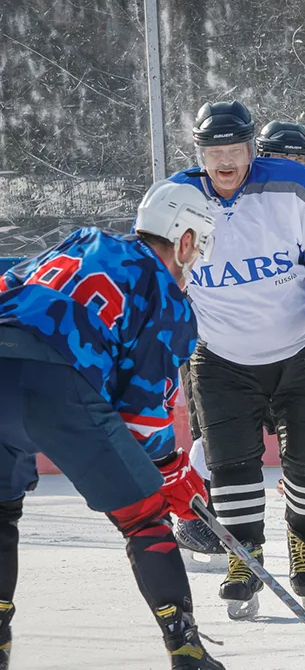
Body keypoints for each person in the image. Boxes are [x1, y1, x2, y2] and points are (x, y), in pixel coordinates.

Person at [0, 181, 224, 669]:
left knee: (0, 512)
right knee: (144, 518)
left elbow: (10, 286)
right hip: (55, 385)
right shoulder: (166, 295)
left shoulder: (82, 241)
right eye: (199, 246)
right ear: (185, 240)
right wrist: (169, 471)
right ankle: (186, 649)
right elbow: (142, 413)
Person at [168, 100, 305, 619]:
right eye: (214, 151)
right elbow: (161, 277)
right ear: (200, 154)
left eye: (235, 149)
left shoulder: (289, 188)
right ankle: (243, 551)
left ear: (252, 149)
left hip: (299, 350)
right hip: (222, 358)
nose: (225, 161)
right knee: (231, 464)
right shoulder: (175, 200)